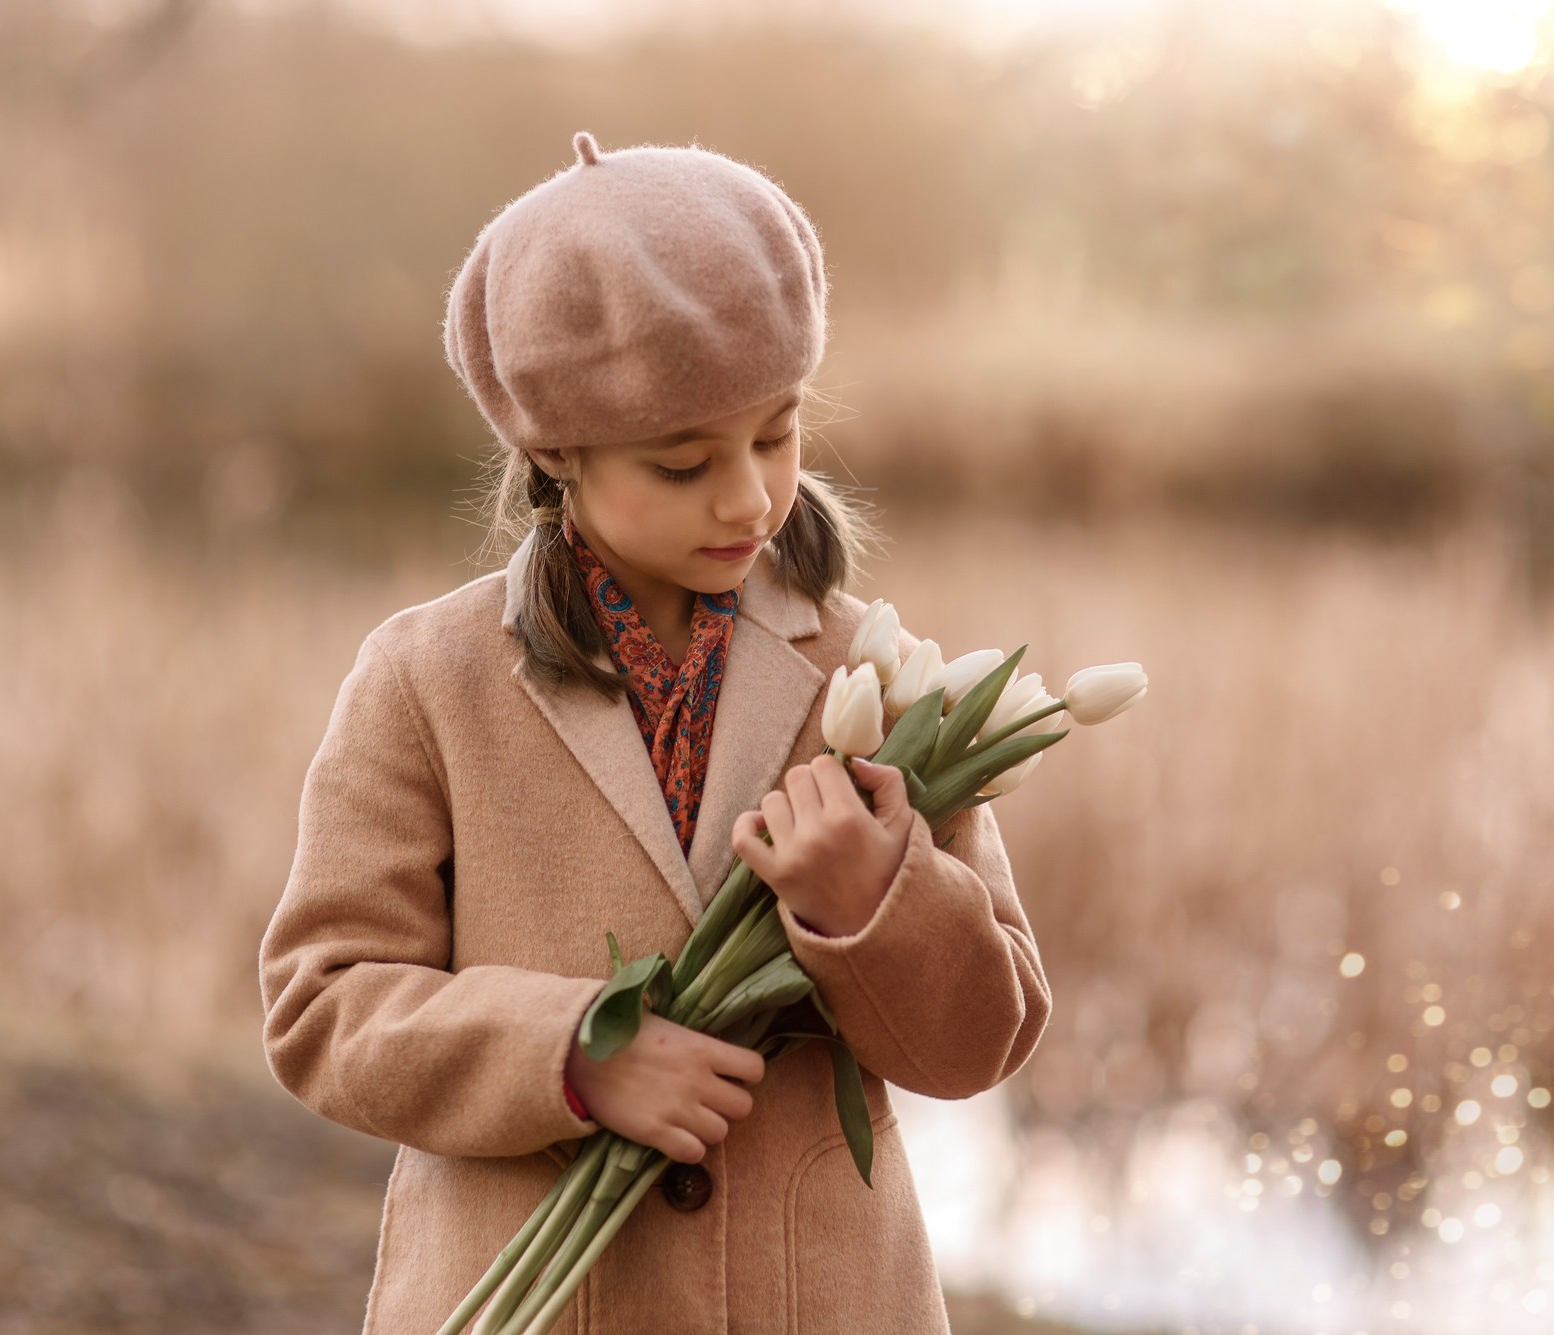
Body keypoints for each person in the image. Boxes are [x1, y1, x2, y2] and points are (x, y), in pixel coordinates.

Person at [258, 130, 1052, 1335]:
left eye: (776, 436)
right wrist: (576, 1053)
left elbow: (978, 1044)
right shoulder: (425, 681)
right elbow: (324, 1008)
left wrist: (874, 896)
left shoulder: (874, 679)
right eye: (682, 464)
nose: (747, 497)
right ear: (551, 453)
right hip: (523, 1298)